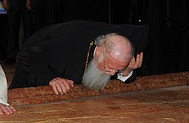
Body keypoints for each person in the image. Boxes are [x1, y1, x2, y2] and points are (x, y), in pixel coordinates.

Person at [10, 20, 148, 95]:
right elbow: (28, 53)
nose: (112, 73)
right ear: (99, 52)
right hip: (35, 74)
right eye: (110, 67)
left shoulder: (113, 49)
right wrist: (51, 78)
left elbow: (116, 69)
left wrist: (126, 70)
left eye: (117, 70)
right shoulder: (64, 43)